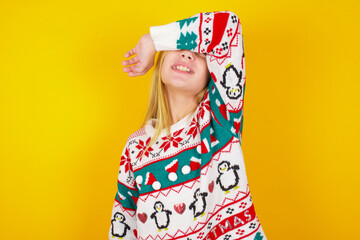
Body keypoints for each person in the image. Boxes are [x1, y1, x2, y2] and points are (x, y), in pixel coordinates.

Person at [108, 11, 267, 240]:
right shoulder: (135, 147)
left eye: (200, 53)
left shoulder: (218, 118)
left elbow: (227, 28)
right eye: (178, 48)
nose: (187, 54)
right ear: (161, 63)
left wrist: (154, 40)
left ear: (211, 72)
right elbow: (123, 225)